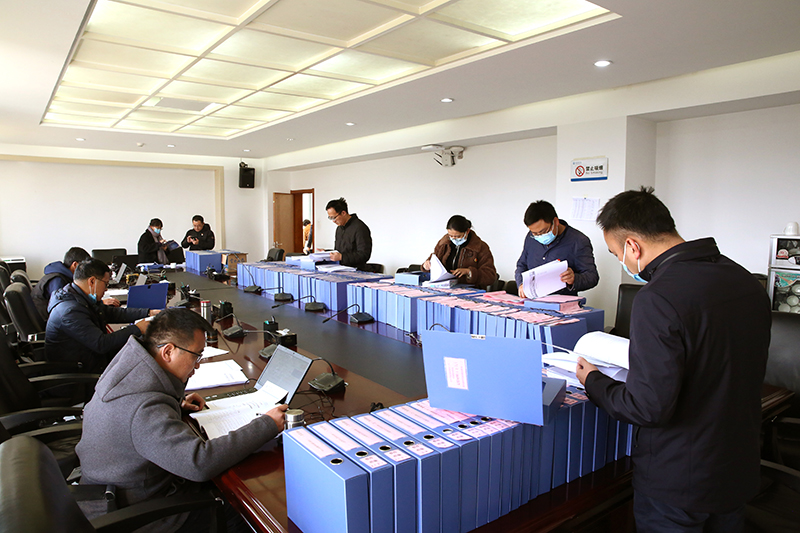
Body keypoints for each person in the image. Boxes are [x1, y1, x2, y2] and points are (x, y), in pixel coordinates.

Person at [575, 187, 771, 532]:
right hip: (736, 468)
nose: (623, 263)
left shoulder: (658, 297)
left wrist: (593, 380)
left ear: (633, 246)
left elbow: (648, 407)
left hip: (679, 481)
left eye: (617, 254)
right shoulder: (745, 280)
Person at [76, 308, 286, 532]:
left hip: (115, 488)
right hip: (137, 513)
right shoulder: (145, 407)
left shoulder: (131, 365)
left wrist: (175, 405)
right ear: (168, 351)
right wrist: (267, 424)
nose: (197, 365)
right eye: (196, 355)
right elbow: (200, 464)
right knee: (244, 512)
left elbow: (140, 421)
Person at [46, 259, 157, 373]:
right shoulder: (70, 311)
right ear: (92, 281)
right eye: (105, 283)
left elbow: (112, 313)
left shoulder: (80, 297)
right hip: (79, 373)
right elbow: (102, 344)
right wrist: (138, 328)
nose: (106, 288)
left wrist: (149, 313)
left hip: (89, 359)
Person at [514, 200, 599, 297]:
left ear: (555, 221)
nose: (539, 236)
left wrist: (574, 279)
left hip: (562, 302)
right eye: (535, 233)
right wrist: (522, 284)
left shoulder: (578, 241)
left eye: (544, 231)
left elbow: (592, 277)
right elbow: (521, 265)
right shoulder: (531, 238)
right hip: (533, 300)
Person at [31, 247, 121, 320]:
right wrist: (100, 303)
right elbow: (65, 308)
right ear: (75, 265)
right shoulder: (57, 280)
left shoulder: (63, 276)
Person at [421, 215, 497, 287]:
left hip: (471, 290)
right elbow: (434, 260)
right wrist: (427, 265)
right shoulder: (443, 244)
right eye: (450, 236)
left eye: (458, 236)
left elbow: (490, 276)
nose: (454, 239)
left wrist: (469, 272)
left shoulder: (480, 247)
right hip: (444, 287)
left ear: (467, 231)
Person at [324, 197, 372, 270]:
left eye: (334, 217)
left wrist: (342, 257)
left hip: (356, 271)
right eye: (330, 218)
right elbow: (340, 251)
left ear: (343, 213)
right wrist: (327, 253)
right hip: (339, 269)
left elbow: (364, 255)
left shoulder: (360, 228)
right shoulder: (339, 229)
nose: (333, 221)